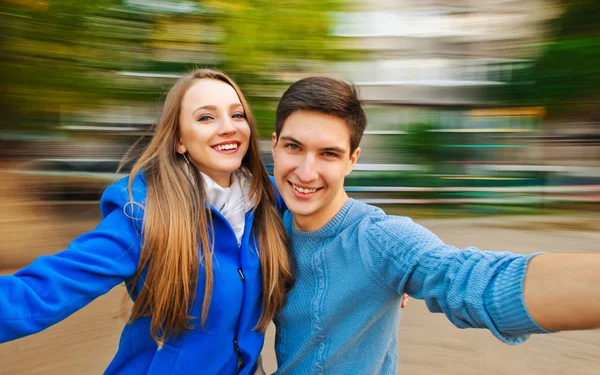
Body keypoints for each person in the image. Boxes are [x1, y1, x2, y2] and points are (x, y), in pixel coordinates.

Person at [269, 76, 600, 374]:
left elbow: (470, 280)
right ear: (274, 145)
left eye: (328, 154)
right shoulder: (263, 226)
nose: (306, 172)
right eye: (294, 147)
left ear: (352, 160)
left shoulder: (380, 240)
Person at [0, 69, 294, 374]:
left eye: (237, 115)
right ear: (179, 140)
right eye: (206, 117)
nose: (228, 128)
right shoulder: (144, 214)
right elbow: (42, 292)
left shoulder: (270, 198)